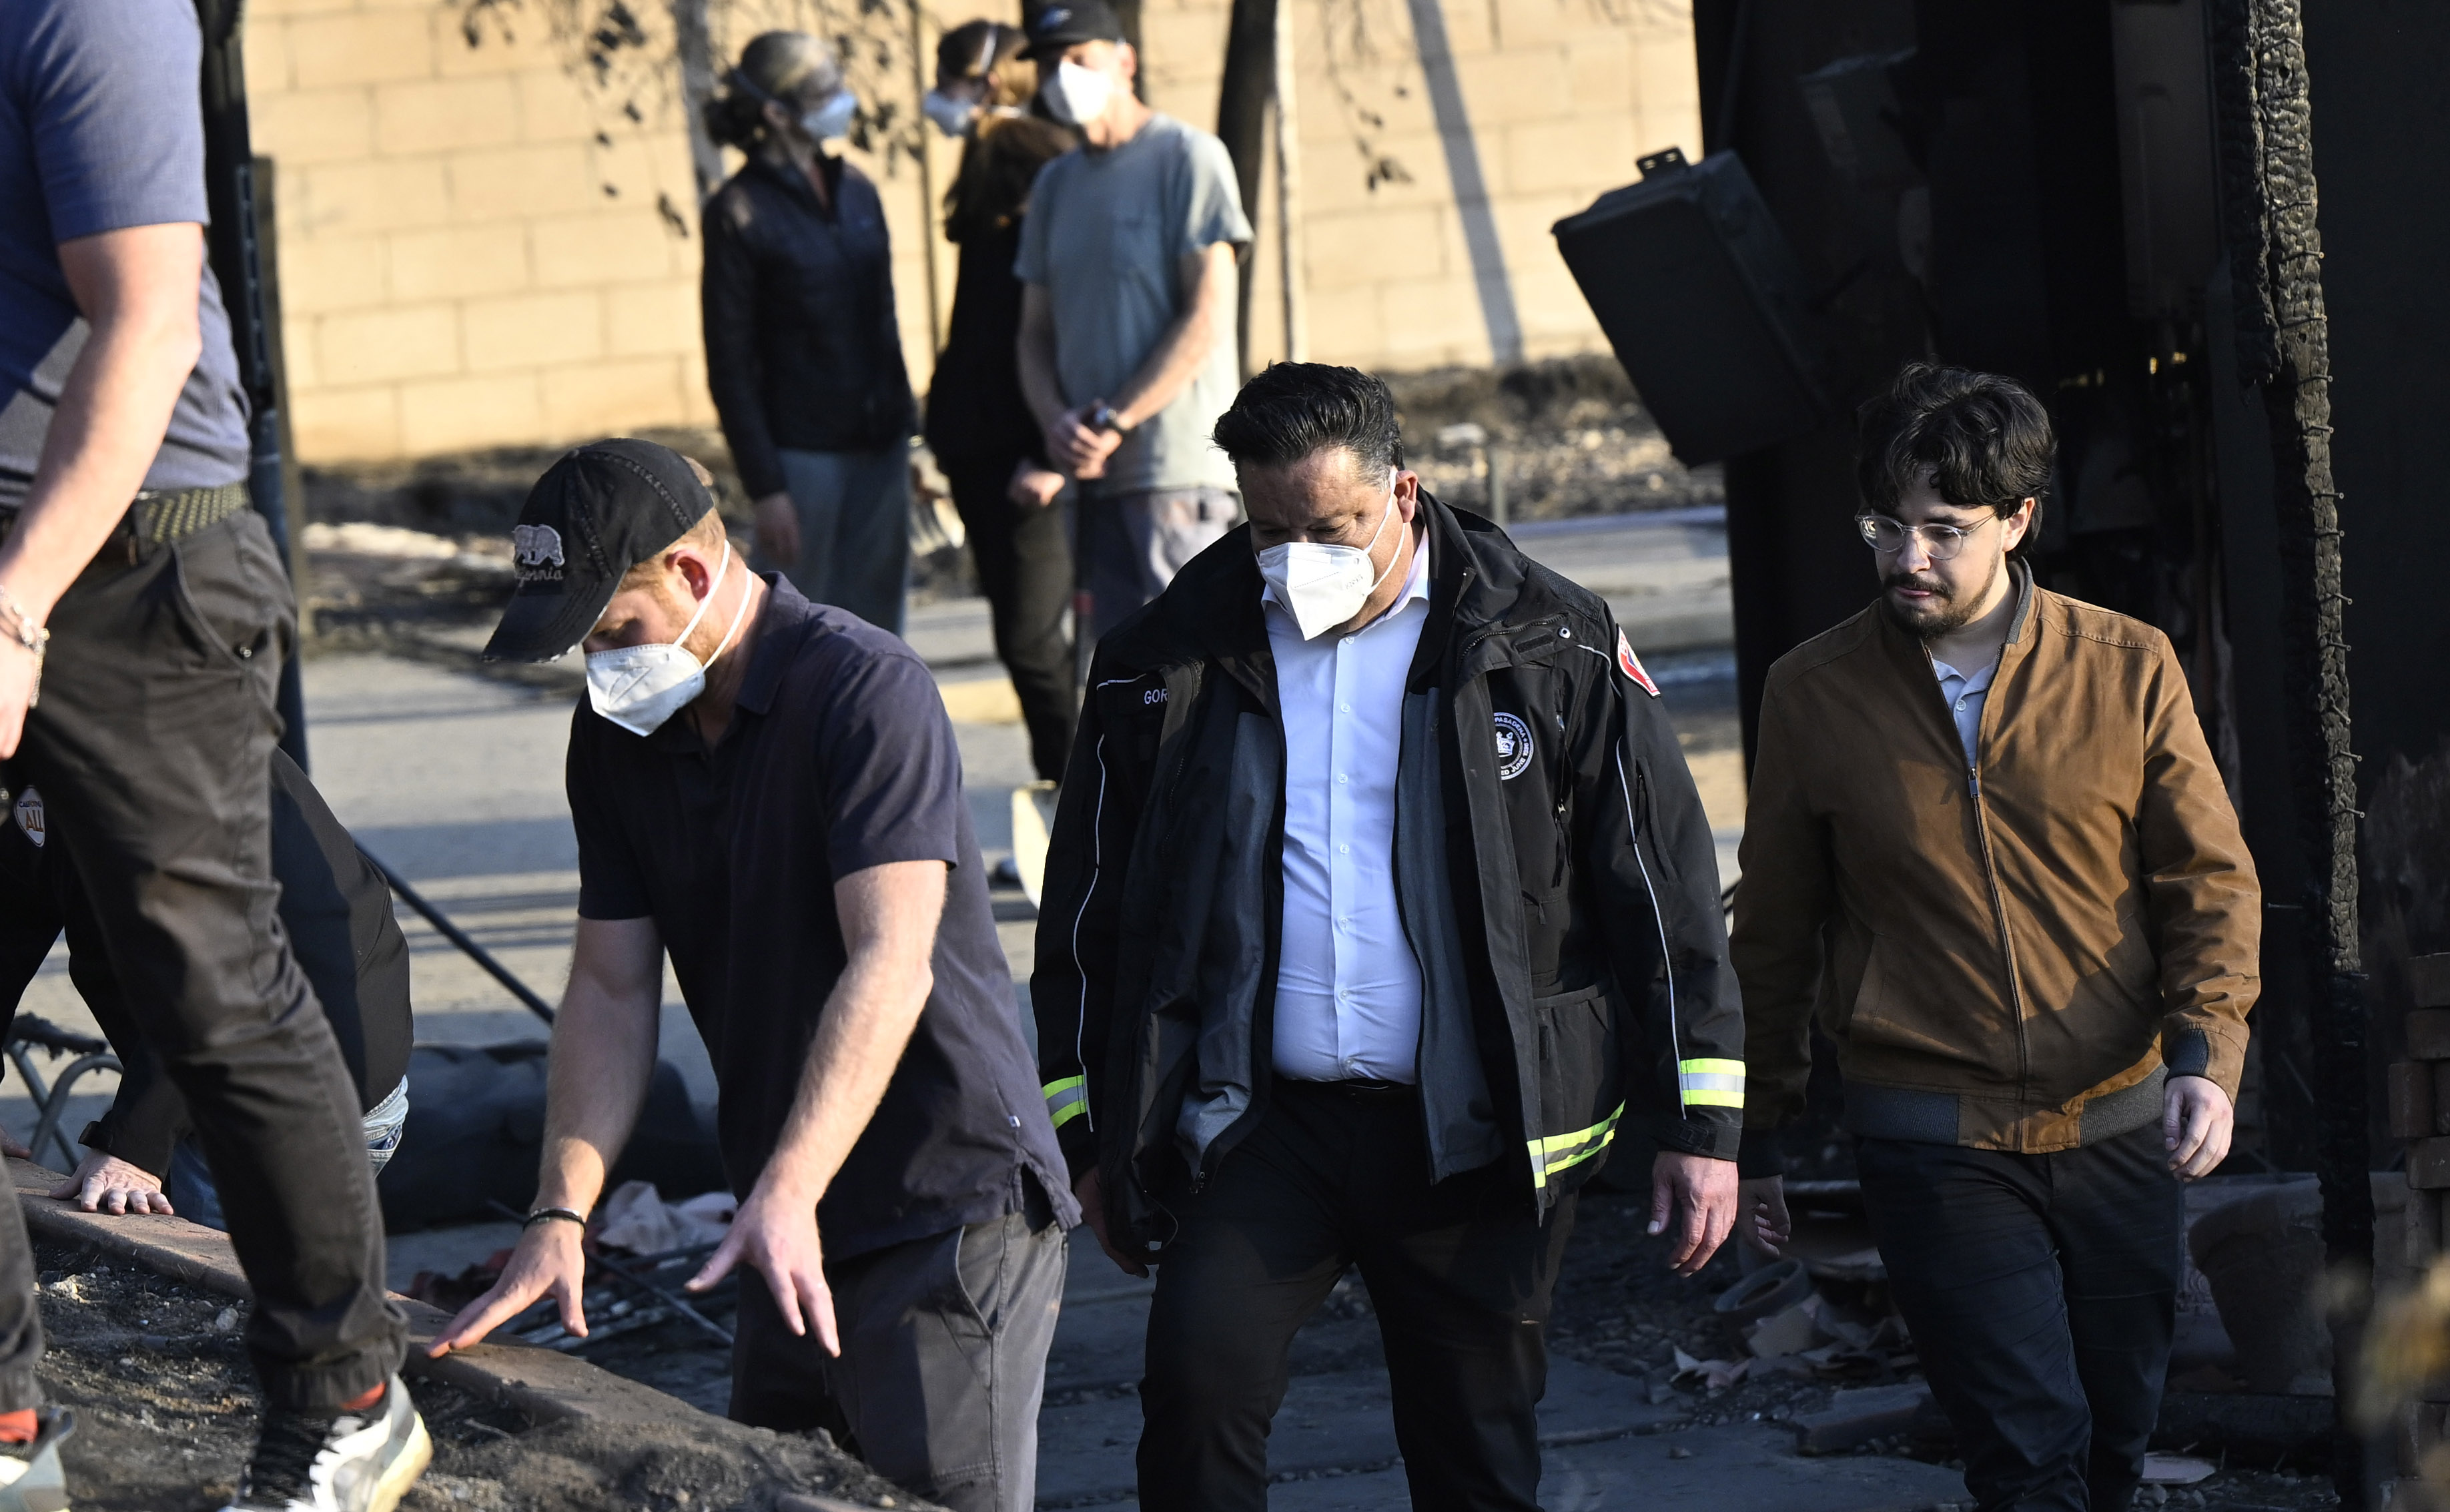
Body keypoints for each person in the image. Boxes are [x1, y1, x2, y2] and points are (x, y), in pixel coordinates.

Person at [1034, 363, 1743, 1510]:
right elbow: (1088, 916)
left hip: (1464, 1137)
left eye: (1331, 527)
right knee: (1193, 1405)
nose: (1296, 557)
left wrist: (1700, 1123)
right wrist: (1089, 1133)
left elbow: (1660, 892)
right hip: (1257, 1127)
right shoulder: (1165, 661)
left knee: (1474, 1455)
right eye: (1269, 531)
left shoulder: (1545, 643)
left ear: (1402, 493)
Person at [430, 440, 1077, 1512]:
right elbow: (610, 988)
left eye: (610, 630)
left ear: (689, 574)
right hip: (780, 1211)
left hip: (942, 1204)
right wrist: (560, 1213)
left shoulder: (864, 689)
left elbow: (891, 957)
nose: (599, 665)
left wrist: (789, 1185)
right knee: (768, 1495)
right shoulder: (616, 736)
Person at [0, 0, 426, 1507]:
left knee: (211, 986)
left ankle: (344, 1395)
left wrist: (16, 603)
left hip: (126, 562)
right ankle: (7, 1437)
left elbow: (150, 320)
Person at [1731, 364, 2259, 1512]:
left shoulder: (2125, 666)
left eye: (1941, 530)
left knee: (2116, 1434)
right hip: (1931, 1129)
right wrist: (1753, 1131)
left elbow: (2205, 878)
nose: (1905, 557)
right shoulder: (1811, 693)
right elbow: (1771, 927)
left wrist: (2205, 1058)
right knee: (2025, 1450)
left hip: (2119, 1119)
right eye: (1884, 527)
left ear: (2018, 520)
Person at [0, 751, 414, 1226]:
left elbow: (219, 979)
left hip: (288, 1091)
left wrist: (134, 1146)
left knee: (213, 1290)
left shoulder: (157, 754)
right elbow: (9, 917)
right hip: (205, 1068)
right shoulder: (44, 751)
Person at [1013, 0, 1252, 641]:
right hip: (1087, 476)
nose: (1062, 76)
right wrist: (1057, 423)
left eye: (1078, 58)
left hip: (1173, 468)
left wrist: (1116, 417)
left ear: (1125, 62)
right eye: (1047, 65)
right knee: (1120, 680)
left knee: (1192, 667)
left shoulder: (1187, 158)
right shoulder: (1055, 187)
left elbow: (1206, 315)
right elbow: (1033, 334)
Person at [701, 32, 918, 633]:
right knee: (796, 631)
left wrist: (910, 435)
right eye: (825, 92)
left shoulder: (858, 190)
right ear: (776, 112)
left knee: (878, 634)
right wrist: (766, 487)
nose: (841, 101)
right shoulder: (738, 210)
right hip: (802, 459)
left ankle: (877, 728)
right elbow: (730, 361)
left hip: (881, 446)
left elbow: (884, 322)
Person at [921, 19, 1081, 782]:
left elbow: (1054, 322)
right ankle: (1068, 799)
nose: (937, 96)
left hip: (1021, 447)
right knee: (1027, 643)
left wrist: (1046, 448)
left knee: (1034, 643)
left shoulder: (1036, 162)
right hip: (981, 441)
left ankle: (1083, 809)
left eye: (949, 78)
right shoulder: (995, 155)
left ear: (987, 83)